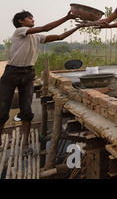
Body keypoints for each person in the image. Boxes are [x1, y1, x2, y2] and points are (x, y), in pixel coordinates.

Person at [0, 10, 80, 156]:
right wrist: (67, 17)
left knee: (27, 111)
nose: (32, 19)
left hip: (28, 74)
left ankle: (25, 144)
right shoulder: (20, 31)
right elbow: (46, 28)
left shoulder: (36, 37)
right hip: (11, 73)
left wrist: (78, 27)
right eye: (29, 18)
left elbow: (60, 36)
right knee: (2, 111)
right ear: (21, 21)